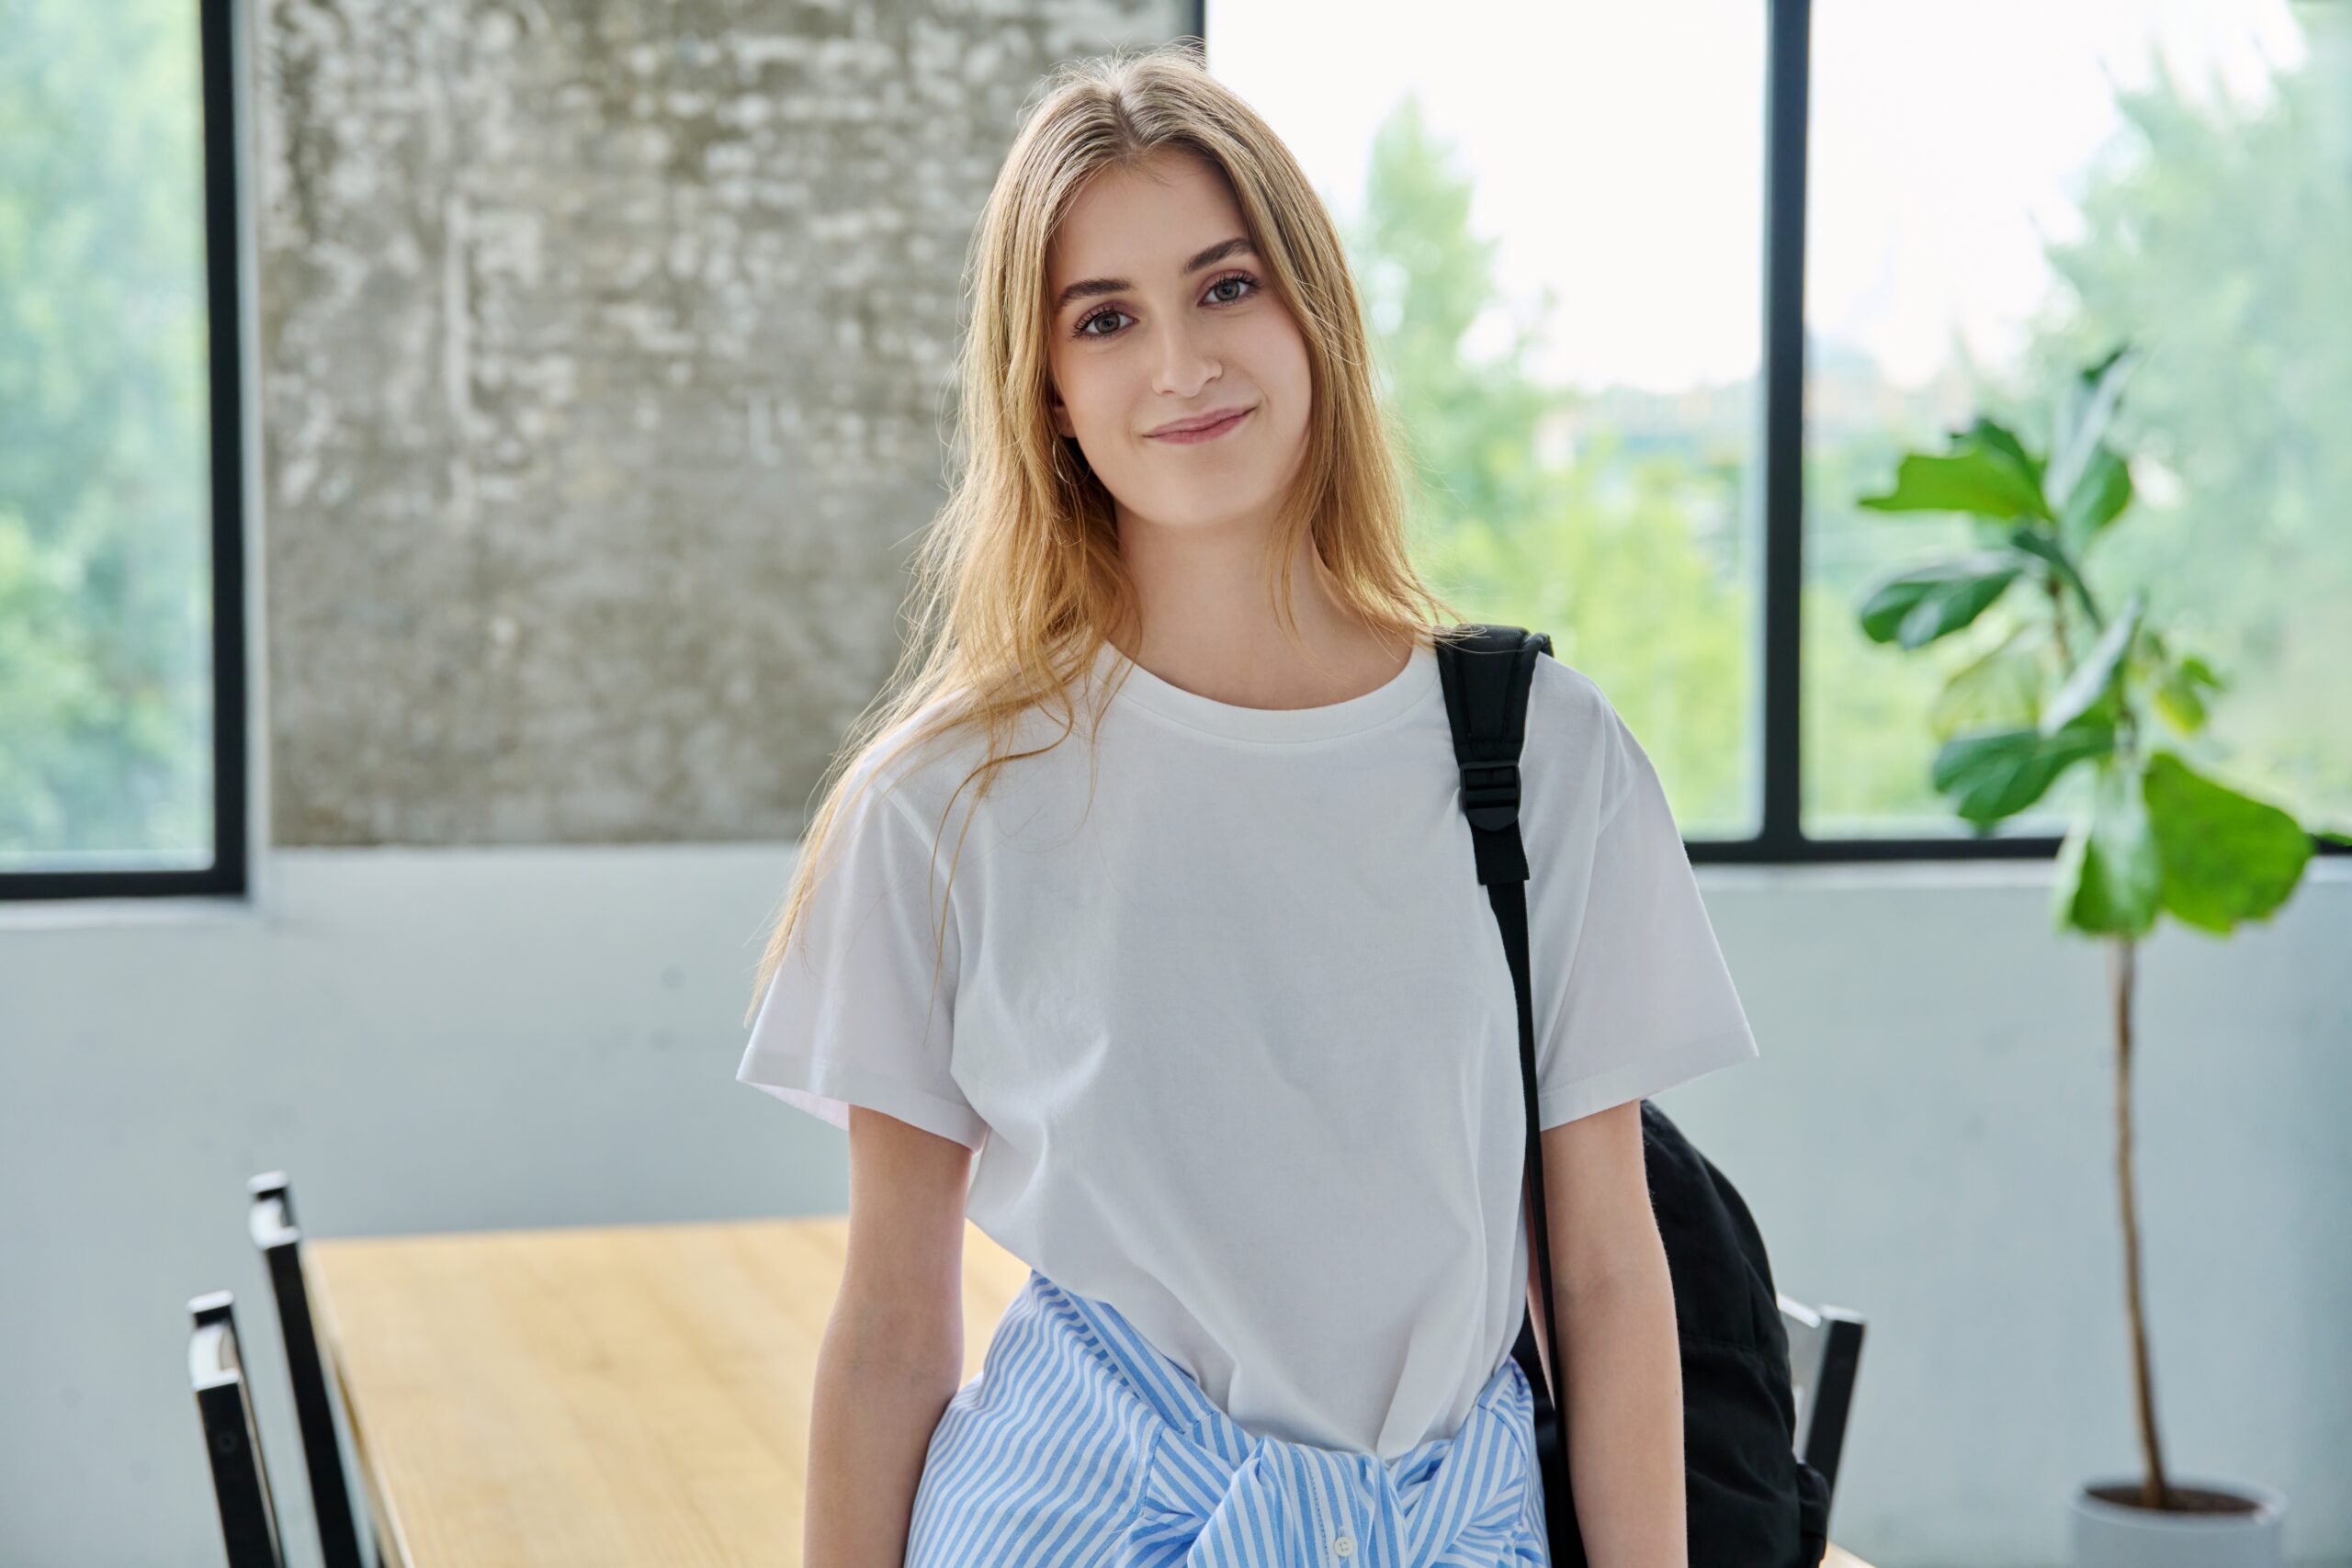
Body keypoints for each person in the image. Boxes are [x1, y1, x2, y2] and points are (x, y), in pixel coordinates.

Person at [735, 40, 1760, 1568]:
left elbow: (1605, 1277)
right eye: (1105, 318)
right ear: (1051, 395)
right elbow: (894, 1324)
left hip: (1450, 1526)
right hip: (1076, 1523)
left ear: (1314, 312)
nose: (1180, 364)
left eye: (1226, 286)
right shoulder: (940, 801)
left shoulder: (1540, 752)